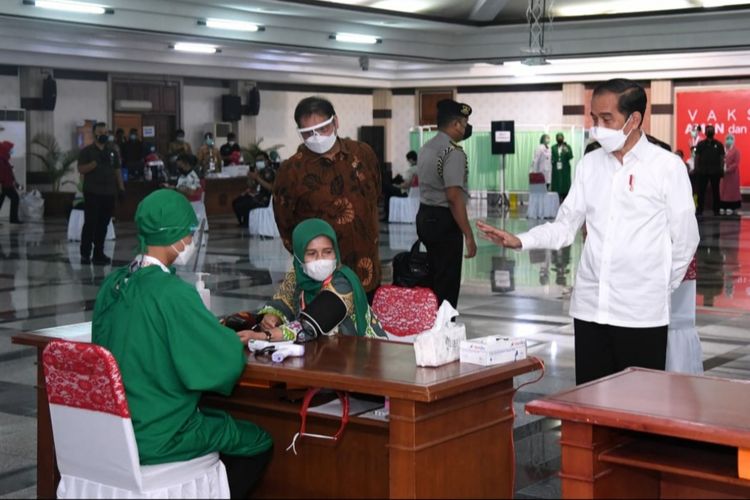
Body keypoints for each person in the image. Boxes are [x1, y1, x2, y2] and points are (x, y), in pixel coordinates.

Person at [476, 78, 699, 385]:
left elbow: (687, 238)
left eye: (607, 119)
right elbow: (565, 227)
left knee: (639, 407)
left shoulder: (666, 168)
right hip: (590, 310)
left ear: (634, 120)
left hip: (640, 314)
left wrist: (660, 285)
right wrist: (521, 240)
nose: (598, 127)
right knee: (591, 403)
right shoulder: (589, 165)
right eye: (595, 118)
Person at [92, 189, 272, 498]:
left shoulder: (115, 283)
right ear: (176, 234)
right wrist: (231, 339)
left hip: (113, 432)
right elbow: (221, 362)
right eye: (189, 232)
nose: (191, 240)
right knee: (256, 440)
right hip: (161, 433)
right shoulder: (172, 293)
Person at [273, 96, 382, 298]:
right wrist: (315, 259)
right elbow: (286, 225)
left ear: (335, 122)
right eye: (307, 133)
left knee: (365, 327)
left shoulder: (363, 153)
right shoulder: (292, 171)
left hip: (366, 269)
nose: (316, 137)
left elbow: (375, 195)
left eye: (322, 129)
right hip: (322, 277)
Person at [240, 218, 386, 342]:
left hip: (360, 356)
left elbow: (308, 326)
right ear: (298, 257)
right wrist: (272, 317)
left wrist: (263, 336)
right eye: (311, 253)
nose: (320, 259)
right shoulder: (298, 276)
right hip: (321, 353)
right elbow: (282, 303)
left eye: (327, 252)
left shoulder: (343, 282)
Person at [416, 99, 477, 308]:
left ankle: (428, 322)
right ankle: (444, 329)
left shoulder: (426, 147)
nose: (466, 127)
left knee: (432, 276)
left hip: (424, 216)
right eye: (465, 122)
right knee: (447, 282)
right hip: (444, 221)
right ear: (456, 124)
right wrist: (468, 233)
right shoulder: (452, 152)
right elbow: (453, 196)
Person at [77, 122, 125, 265]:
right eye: (100, 132)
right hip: (92, 192)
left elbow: (117, 171)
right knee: (90, 223)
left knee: (103, 224)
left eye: (106, 132)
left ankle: (99, 253)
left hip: (109, 192)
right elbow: (81, 169)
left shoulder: (112, 151)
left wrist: (121, 189)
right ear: (94, 134)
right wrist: (94, 163)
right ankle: (85, 254)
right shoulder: (87, 151)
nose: (103, 135)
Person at [232, 152, 275, 226]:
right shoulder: (259, 171)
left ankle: (247, 223)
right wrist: (250, 178)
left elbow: (271, 188)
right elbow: (252, 185)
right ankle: (242, 222)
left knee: (245, 204)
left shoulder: (270, 172)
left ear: (267, 161)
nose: (259, 162)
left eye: (261, 160)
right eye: (257, 160)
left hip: (266, 198)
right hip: (257, 195)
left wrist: (257, 178)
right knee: (236, 202)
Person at [694, 125, 725, 217]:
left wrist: (722, 169)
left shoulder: (719, 144)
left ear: (714, 132)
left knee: (716, 191)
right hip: (703, 171)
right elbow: (697, 157)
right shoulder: (701, 144)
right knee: (701, 191)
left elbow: (722, 158)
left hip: (715, 171)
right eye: (708, 130)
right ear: (705, 132)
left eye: (711, 130)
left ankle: (716, 210)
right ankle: (699, 209)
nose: (710, 131)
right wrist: (696, 168)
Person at [0, 141, 22, 224]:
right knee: (15, 198)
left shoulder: (5, 159)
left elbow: (10, 173)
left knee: (14, 198)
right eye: (10, 149)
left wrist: (15, 183)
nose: (11, 151)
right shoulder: (1, 160)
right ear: (5, 149)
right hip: (3, 185)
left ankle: (14, 219)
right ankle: (13, 219)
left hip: (8, 185)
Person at [719, 133, 741, 216]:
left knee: (731, 192)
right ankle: (722, 206)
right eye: (727, 138)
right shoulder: (722, 150)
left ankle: (731, 207)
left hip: (732, 175)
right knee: (722, 191)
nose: (729, 140)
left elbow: (736, 163)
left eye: (731, 139)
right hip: (723, 175)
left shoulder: (736, 151)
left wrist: (728, 169)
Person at [550, 132, 573, 202]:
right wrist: (553, 160)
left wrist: (565, 149)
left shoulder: (567, 147)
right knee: (556, 183)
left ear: (563, 138)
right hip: (556, 168)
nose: (559, 138)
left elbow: (570, 156)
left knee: (565, 183)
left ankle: (565, 199)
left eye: (561, 137)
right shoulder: (553, 147)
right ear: (556, 139)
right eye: (558, 137)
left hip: (565, 168)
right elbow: (551, 157)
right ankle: (556, 199)